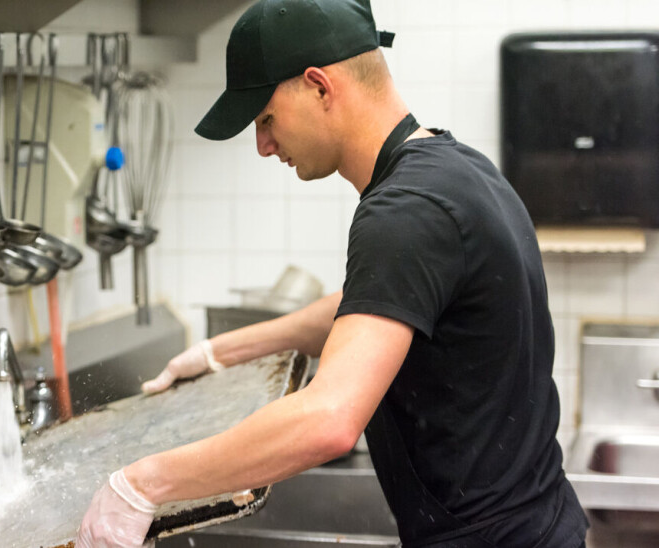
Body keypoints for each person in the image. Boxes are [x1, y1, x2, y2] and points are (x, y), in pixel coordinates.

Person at [76, 0, 590, 546]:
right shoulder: (453, 167)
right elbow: (374, 304)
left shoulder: (404, 210)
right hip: (539, 522)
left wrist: (141, 484)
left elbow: (329, 420)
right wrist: (220, 352)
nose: (263, 145)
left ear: (320, 85)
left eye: (265, 119)